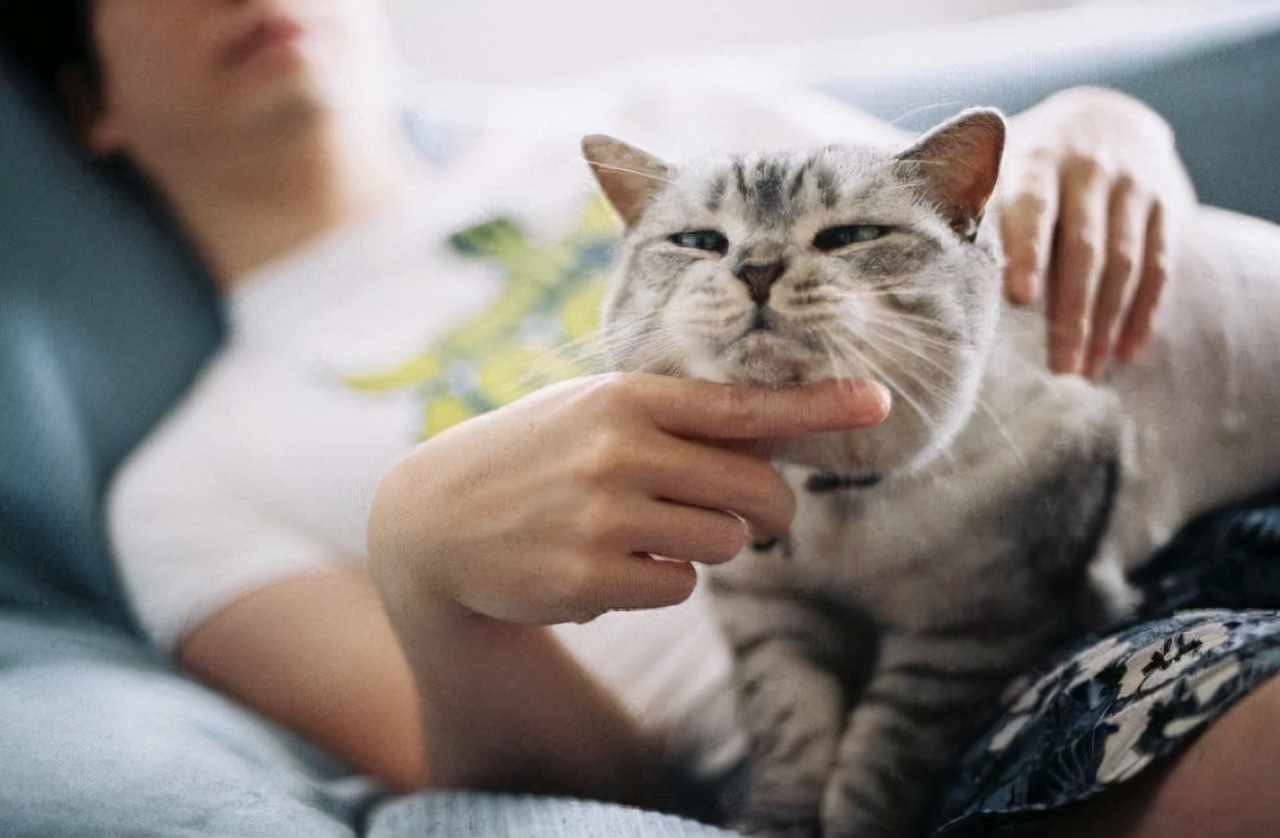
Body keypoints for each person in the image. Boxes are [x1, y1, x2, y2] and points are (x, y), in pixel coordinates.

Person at [2, 2, 1278, 837]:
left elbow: (955, 231)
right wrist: (424, 574)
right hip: (970, 704)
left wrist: (1103, 128)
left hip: (1171, 466)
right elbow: (567, 801)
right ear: (88, 102)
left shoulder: (675, 119)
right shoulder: (192, 487)